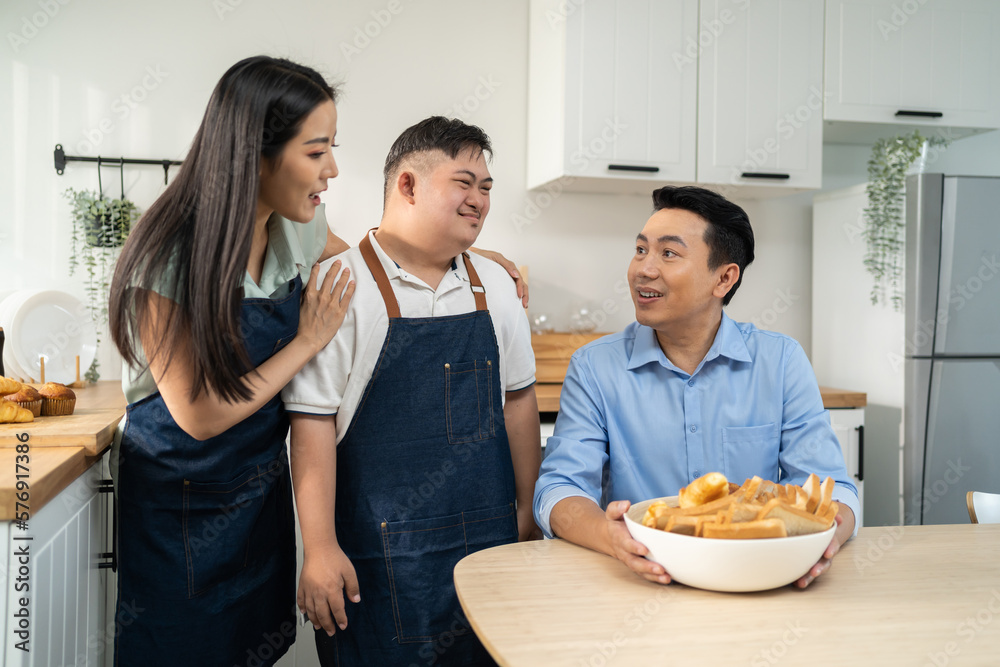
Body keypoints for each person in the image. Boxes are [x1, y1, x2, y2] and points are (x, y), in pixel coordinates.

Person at [107, 57, 526, 666]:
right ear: (255, 151)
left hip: (258, 491)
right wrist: (306, 341)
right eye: (316, 151)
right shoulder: (167, 254)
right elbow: (197, 414)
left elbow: (377, 256)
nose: (331, 169)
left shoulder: (297, 229)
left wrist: (462, 248)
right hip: (182, 504)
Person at [282, 116, 541, 665]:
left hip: (490, 552)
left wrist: (526, 511)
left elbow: (519, 400)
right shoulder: (339, 287)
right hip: (378, 562)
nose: (480, 200)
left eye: (487, 188)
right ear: (407, 184)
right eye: (464, 183)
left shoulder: (496, 284)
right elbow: (311, 425)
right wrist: (321, 548)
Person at [532, 185, 859, 590]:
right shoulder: (595, 367)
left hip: (759, 581)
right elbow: (559, 489)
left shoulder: (781, 361)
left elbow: (832, 488)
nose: (643, 269)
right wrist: (609, 538)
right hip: (639, 582)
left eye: (668, 253)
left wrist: (825, 543)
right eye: (640, 250)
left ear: (723, 278)